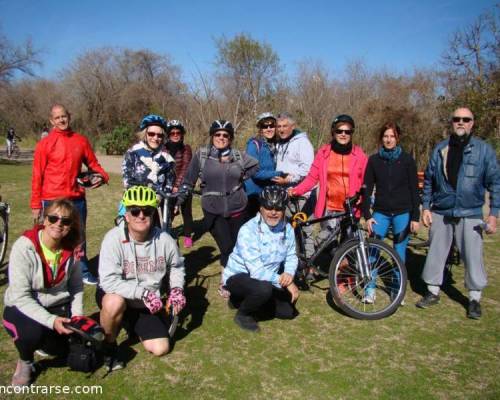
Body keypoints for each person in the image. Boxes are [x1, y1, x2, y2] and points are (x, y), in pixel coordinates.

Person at [416, 107, 499, 319]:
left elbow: (495, 182)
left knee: (472, 257)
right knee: (435, 253)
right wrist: (426, 207)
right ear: (451, 123)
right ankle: (432, 292)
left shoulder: (483, 150)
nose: (461, 122)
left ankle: (474, 299)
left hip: (470, 213)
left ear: (472, 123)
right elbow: (429, 181)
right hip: (442, 211)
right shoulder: (440, 149)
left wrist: (493, 214)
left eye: (466, 119)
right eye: (456, 119)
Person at [97, 186, 186, 369]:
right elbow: (108, 281)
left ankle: (129, 322)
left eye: (147, 211)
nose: (141, 215)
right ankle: (108, 347)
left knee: (161, 348)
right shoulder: (113, 239)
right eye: (135, 210)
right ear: (126, 214)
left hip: (146, 303)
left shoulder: (165, 240)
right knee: (114, 303)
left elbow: (177, 267)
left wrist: (177, 289)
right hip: (118, 294)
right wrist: (142, 293)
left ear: (154, 214)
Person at [3, 199, 83, 386]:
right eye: (53, 218)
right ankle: (26, 361)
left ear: (71, 226)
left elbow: (76, 286)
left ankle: (47, 341)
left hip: (57, 307)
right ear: (44, 219)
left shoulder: (71, 250)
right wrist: (50, 321)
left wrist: (78, 317)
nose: (58, 224)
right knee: (32, 333)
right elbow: (21, 296)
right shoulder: (24, 247)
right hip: (22, 307)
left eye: (65, 221)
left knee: (64, 351)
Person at [177, 120, 259, 297]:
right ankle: (226, 280)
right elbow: (189, 180)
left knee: (237, 246)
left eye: (225, 135)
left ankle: (235, 277)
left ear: (230, 138)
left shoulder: (238, 156)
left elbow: (255, 165)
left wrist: (242, 177)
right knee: (226, 246)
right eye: (218, 134)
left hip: (238, 208)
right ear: (212, 136)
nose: (221, 138)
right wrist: (179, 200)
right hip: (213, 209)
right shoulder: (202, 155)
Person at [31, 104, 109, 285]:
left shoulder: (80, 140)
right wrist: (35, 204)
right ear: (52, 121)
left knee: (78, 236)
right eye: (57, 118)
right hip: (52, 198)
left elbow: (93, 163)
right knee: (52, 235)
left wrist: (103, 176)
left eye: (64, 116)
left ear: (69, 116)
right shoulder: (45, 144)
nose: (61, 120)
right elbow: (37, 175)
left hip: (76, 198)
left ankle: (81, 270)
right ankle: (49, 270)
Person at [289, 114, 367, 276]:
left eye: (347, 131)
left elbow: (366, 182)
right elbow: (312, 177)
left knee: (349, 244)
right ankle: (330, 268)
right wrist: (296, 190)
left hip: (350, 208)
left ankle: (343, 277)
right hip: (329, 208)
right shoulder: (324, 153)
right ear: (333, 132)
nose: (343, 134)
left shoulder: (360, 156)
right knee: (328, 243)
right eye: (339, 131)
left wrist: (365, 202)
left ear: (352, 133)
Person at [223, 185, 299, 332]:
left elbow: (291, 255)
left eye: (278, 208)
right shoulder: (248, 230)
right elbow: (257, 272)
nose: (273, 212)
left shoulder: (287, 229)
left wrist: (289, 275)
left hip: (267, 279)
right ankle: (243, 315)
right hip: (240, 276)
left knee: (288, 312)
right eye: (269, 207)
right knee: (263, 289)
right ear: (261, 208)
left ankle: (243, 301)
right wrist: (284, 283)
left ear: (284, 210)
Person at [361, 122, 420, 303]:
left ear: (397, 138)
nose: (388, 139)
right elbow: (366, 189)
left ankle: (397, 290)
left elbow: (414, 190)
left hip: (403, 213)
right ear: (381, 139)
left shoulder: (407, 160)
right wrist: (367, 215)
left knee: (399, 253)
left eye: (392, 136)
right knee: (373, 251)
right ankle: (369, 290)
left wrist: (415, 217)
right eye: (386, 136)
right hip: (381, 212)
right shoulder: (374, 161)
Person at [272, 112, 315, 258]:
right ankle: (293, 262)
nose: (281, 129)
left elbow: (308, 170)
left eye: (285, 126)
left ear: (293, 126)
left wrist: (288, 179)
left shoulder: (302, 143)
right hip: (284, 195)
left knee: (304, 230)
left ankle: (309, 263)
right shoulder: (279, 143)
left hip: (302, 195)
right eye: (279, 126)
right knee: (287, 231)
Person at [244, 112, 284, 218]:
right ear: (260, 129)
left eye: (272, 125)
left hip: (268, 194)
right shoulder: (254, 145)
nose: (269, 128)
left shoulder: (274, 145)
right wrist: (279, 173)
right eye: (265, 126)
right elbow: (254, 172)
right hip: (253, 195)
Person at [122, 114, 176, 192]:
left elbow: (169, 186)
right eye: (151, 134)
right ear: (145, 134)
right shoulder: (132, 153)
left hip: (158, 202)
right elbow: (127, 182)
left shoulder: (167, 159)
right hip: (134, 201)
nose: (155, 138)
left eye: (159, 135)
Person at [164, 120, 194, 248]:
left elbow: (185, 168)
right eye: (172, 133)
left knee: (186, 211)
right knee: (168, 211)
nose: (175, 135)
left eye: (178, 133)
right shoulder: (163, 148)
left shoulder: (186, 148)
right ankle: (167, 232)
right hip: (168, 185)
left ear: (182, 134)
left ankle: (188, 235)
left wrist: (177, 185)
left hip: (184, 185)